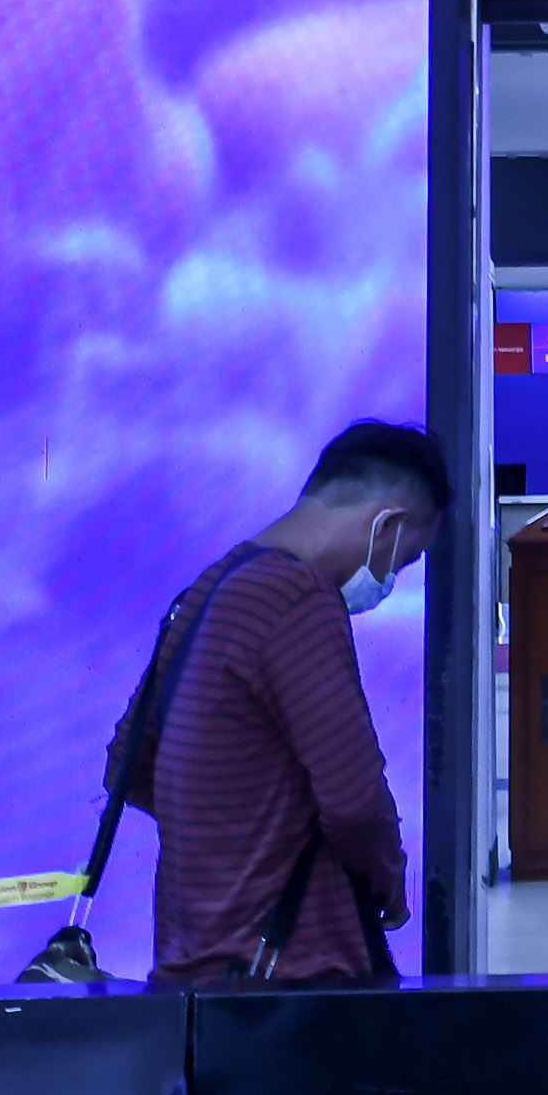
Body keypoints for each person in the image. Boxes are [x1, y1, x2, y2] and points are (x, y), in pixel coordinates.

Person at [134, 418, 448, 986]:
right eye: (402, 563)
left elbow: (129, 766)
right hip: (291, 977)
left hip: (192, 964)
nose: (388, 580)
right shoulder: (298, 599)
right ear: (388, 525)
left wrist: (229, 839)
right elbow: (355, 802)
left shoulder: (208, 589)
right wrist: (389, 883)